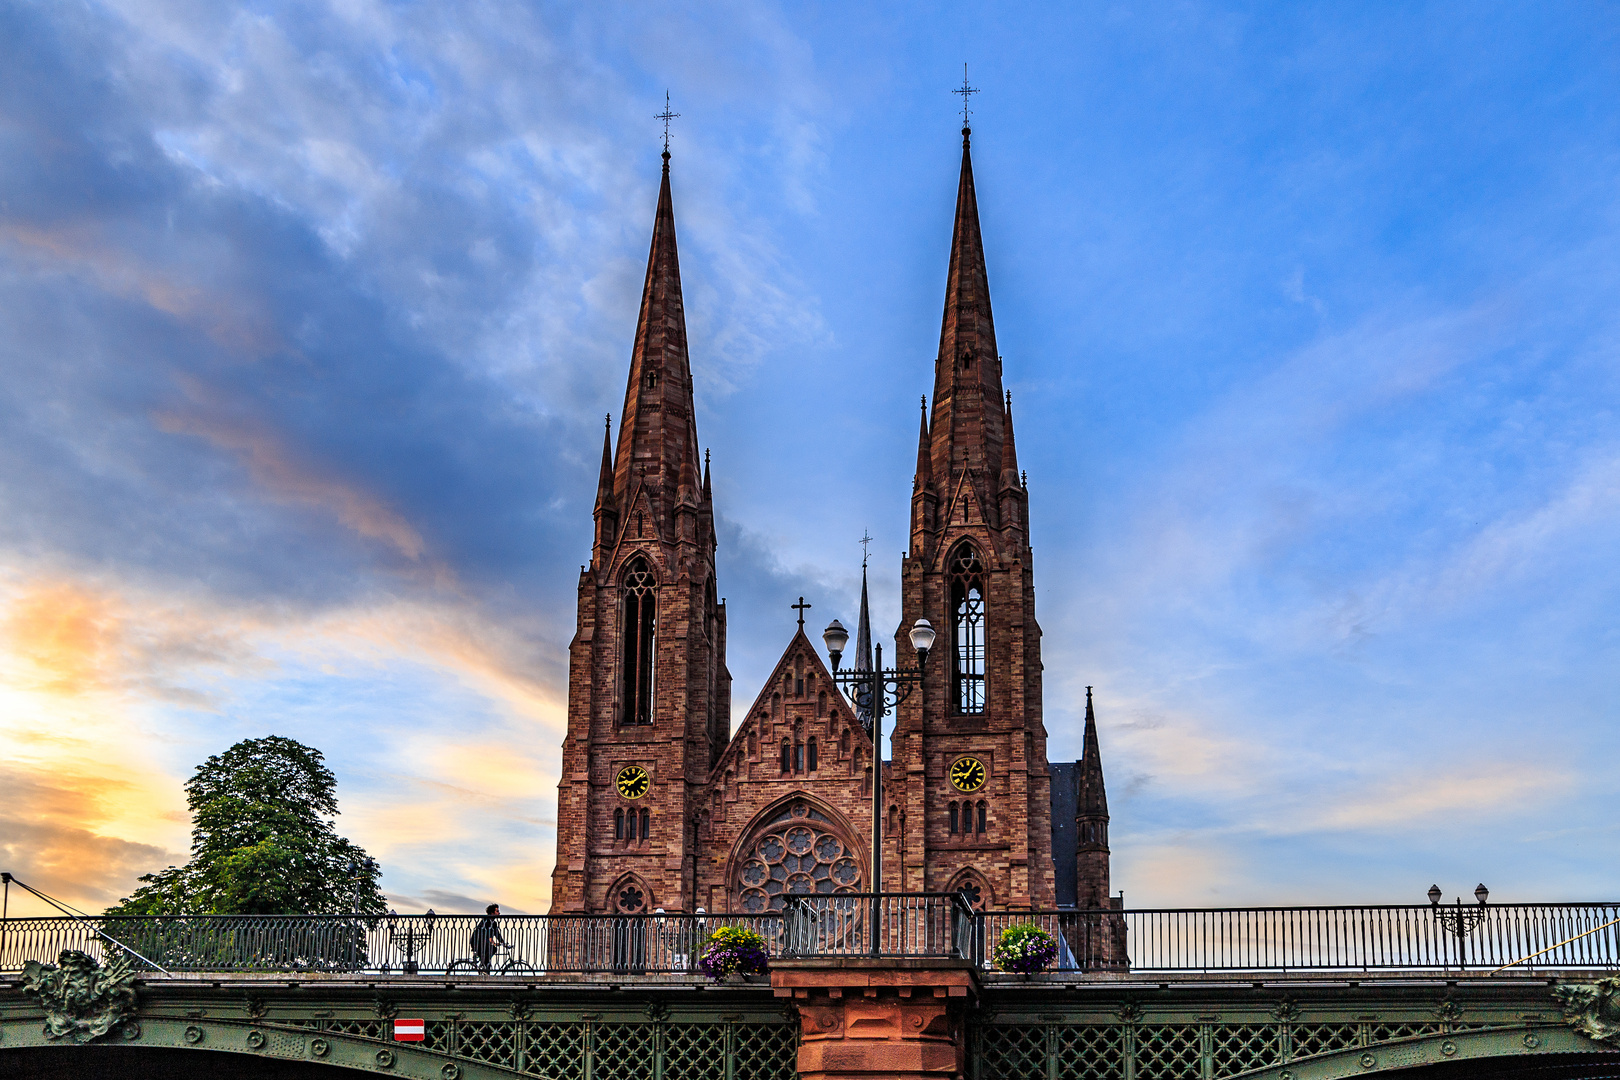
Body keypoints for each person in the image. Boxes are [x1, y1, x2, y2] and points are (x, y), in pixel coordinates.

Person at [470, 903, 509, 974]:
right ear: (492, 912)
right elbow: (486, 933)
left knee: (490, 951)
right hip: (477, 942)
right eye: (497, 911)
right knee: (493, 949)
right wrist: (493, 942)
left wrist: (503, 943)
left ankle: (485, 967)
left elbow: (497, 934)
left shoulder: (493, 923)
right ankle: (484, 966)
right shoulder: (486, 921)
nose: (499, 913)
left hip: (484, 942)